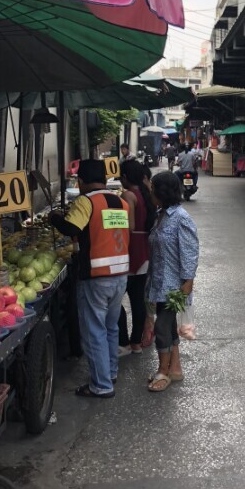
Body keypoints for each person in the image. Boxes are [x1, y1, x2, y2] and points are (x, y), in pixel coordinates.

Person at [50, 159, 131, 399]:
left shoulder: (87, 201)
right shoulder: (122, 203)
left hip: (95, 276)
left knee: (94, 331)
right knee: (110, 327)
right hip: (120, 274)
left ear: (81, 181)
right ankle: (111, 372)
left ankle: (101, 385)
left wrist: (54, 218)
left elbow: (70, 229)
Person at [145, 171, 199, 392]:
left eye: (152, 188)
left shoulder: (181, 218)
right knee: (167, 326)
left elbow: (190, 252)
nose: (150, 192)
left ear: (161, 191)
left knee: (162, 328)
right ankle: (174, 369)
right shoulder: (162, 214)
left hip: (173, 287)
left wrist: (188, 282)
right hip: (158, 282)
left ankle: (163, 372)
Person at [117, 161, 155, 357]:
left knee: (115, 300)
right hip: (145, 249)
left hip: (131, 249)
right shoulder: (146, 193)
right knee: (138, 299)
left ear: (125, 177)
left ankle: (123, 342)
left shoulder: (128, 195)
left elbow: (129, 225)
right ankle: (136, 343)